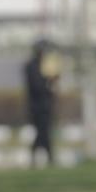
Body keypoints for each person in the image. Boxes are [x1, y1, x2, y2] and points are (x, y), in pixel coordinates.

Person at [24, 39, 60, 167]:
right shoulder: (31, 66)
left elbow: (53, 83)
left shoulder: (46, 65)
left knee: (45, 132)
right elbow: (36, 86)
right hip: (37, 105)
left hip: (47, 104)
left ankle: (48, 158)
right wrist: (47, 82)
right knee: (41, 132)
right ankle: (45, 158)